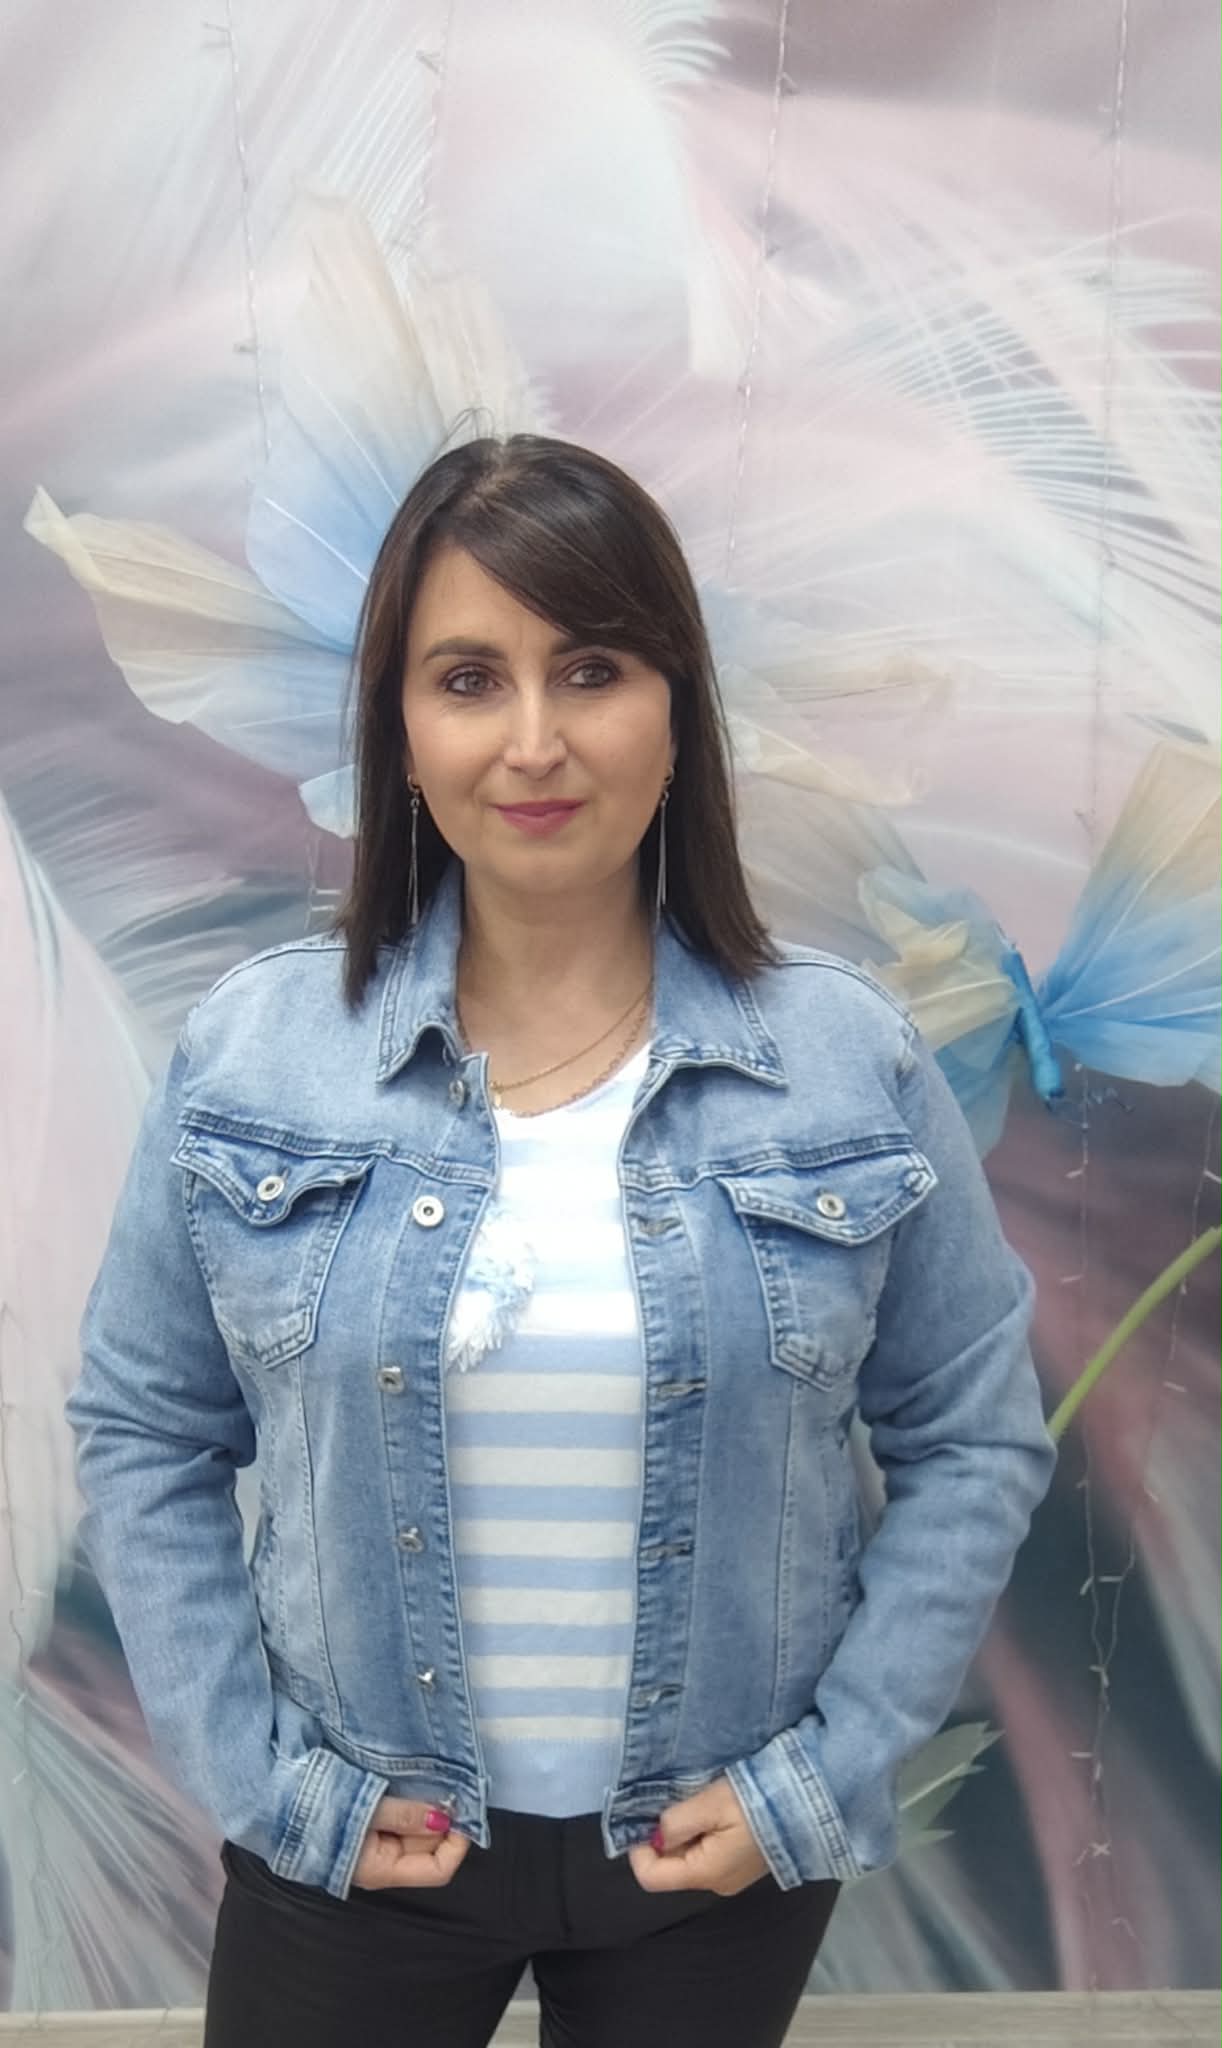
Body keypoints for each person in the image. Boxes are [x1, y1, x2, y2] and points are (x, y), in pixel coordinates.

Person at [67, 434, 1056, 2048]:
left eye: (590, 670)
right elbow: (143, 1428)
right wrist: (261, 1778)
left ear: (675, 709)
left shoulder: (844, 1060)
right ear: (399, 724)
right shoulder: (254, 1056)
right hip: (357, 1852)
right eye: (468, 679)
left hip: (706, 1863)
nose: (533, 741)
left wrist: (820, 1779)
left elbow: (970, 1437)